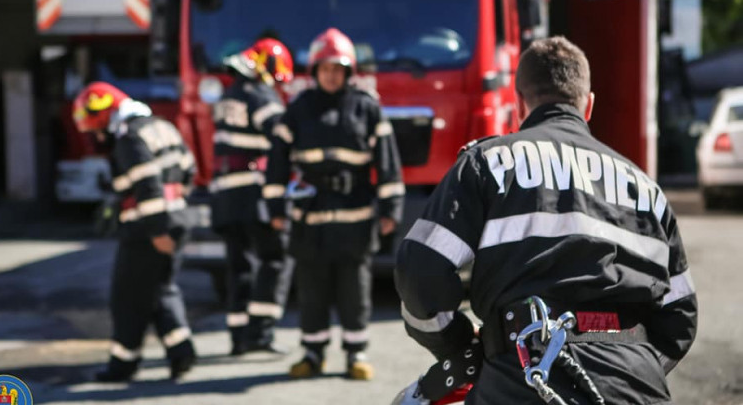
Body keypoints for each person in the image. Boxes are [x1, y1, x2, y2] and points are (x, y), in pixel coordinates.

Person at [394, 37, 697, 404]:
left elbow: (420, 271)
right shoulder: (647, 191)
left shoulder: (486, 164)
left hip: (520, 380)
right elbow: (681, 316)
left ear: (518, 102)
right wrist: (633, 364)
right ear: (588, 105)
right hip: (637, 386)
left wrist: (461, 346)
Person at [264, 28, 405, 380]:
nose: (331, 75)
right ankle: (313, 354)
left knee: (354, 290)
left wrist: (391, 209)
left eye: (337, 69)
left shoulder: (366, 107)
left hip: (354, 216)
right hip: (309, 218)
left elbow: (387, 162)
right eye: (325, 68)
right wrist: (275, 208)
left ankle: (356, 353)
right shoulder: (298, 109)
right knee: (311, 290)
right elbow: (277, 161)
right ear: (315, 71)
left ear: (348, 72)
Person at [72, 82, 198, 382]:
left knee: (127, 297)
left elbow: (148, 185)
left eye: (97, 129)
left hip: (147, 228)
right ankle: (181, 352)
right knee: (160, 289)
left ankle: (123, 364)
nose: (98, 136)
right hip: (177, 219)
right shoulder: (162, 126)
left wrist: (157, 231)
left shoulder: (129, 137)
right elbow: (190, 169)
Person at [210, 38, 295, 355]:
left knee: (239, 266)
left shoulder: (229, 93)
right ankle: (260, 334)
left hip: (225, 194)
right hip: (253, 194)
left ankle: (238, 337)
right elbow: (281, 135)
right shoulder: (260, 94)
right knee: (276, 258)